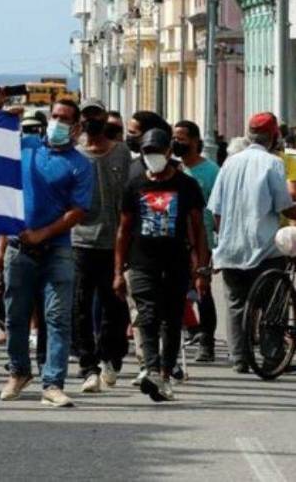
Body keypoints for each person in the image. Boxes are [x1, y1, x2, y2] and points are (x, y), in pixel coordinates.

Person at [0, 95, 93, 408]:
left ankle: (53, 383)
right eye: (55, 116)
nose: (58, 123)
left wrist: (44, 233)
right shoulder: (27, 146)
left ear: (76, 127)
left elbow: (78, 210)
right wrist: (3, 116)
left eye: (65, 119)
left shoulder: (80, 165)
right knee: (16, 316)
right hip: (18, 247)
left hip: (57, 250)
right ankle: (18, 371)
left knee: (57, 318)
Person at [114, 129, 209, 402]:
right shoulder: (134, 186)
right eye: (147, 153)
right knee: (147, 315)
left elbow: (198, 228)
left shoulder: (186, 186)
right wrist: (118, 271)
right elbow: (123, 230)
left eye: (157, 151)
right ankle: (152, 369)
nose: (152, 157)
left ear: (169, 152)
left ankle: (165, 374)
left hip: (176, 262)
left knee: (171, 320)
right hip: (142, 263)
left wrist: (201, 268)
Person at [208, 112, 296, 373]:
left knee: (235, 303)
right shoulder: (272, 164)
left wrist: (223, 237)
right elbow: (284, 206)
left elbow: (216, 210)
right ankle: (271, 354)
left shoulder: (230, 163)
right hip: (264, 248)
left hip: (231, 248)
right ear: (273, 137)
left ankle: (239, 358)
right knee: (271, 304)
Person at [72, 99, 131, 394]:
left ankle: (111, 355)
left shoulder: (121, 152)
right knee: (81, 306)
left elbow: (130, 197)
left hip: (115, 241)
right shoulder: (75, 154)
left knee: (115, 306)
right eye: (87, 116)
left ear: (105, 117)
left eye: (96, 115)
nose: (92, 120)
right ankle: (88, 366)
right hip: (80, 241)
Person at [173, 120, 220, 362]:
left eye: (181, 138)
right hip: (179, 239)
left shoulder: (211, 171)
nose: (176, 142)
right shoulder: (176, 170)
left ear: (194, 140)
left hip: (204, 238)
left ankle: (207, 342)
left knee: (203, 289)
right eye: (174, 137)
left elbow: (220, 208)